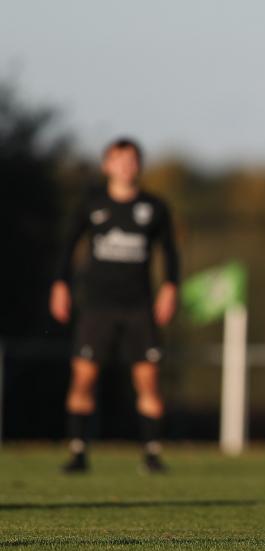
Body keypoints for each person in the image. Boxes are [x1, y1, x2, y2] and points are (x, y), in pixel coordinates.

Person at [50, 138, 179, 474]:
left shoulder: (154, 207)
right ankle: (78, 453)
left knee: (148, 381)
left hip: (139, 307)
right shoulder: (91, 205)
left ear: (139, 165)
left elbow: (170, 252)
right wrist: (60, 285)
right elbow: (68, 247)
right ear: (107, 165)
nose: (126, 166)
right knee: (83, 379)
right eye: (119, 160)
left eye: (132, 160)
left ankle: (151, 454)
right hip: (97, 307)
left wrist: (170, 287)